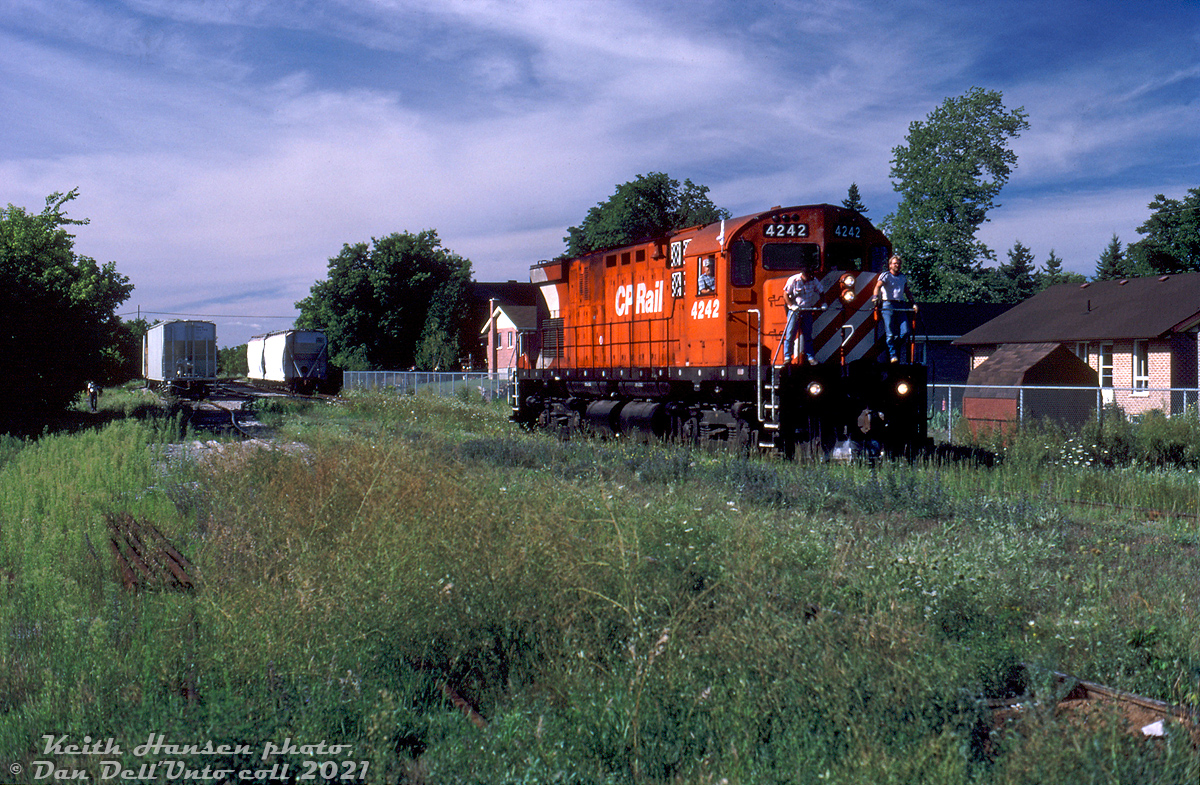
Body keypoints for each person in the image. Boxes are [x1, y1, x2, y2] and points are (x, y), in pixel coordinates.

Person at [872, 255, 918, 362]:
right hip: (888, 304)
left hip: (900, 304)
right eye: (894, 263)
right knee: (890, 332)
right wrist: (875, 297)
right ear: (890, 265)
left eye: (898, 263)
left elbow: (907, 291)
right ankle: (893, 355)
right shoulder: (885, 275)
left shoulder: (902, 277)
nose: (897, 265)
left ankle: (894, 347)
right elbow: (877, 286)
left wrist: (913, 303)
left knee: (905, 331)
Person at [781, 266, 824, 364]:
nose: (810, 278)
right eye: (808, 276)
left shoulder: (813, 280)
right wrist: (791, 306)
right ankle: (787, 357)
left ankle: (810, 357)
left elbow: (821, 292)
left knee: (807, 334)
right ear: (804, 275)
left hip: (807, 310)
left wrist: (823, 303)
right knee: (790, 333)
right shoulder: (793, 280)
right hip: (794, 311)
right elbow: (785, 294)